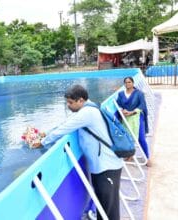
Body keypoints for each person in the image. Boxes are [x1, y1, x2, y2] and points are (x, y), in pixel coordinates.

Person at [34, 85, 123, 220]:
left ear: (80, 100)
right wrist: (45, 133)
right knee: (104, 204)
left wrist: (43, 142)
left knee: (109, 208)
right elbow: (66, 123)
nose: (68, 106)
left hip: (107, 166)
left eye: (70, 102)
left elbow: (64, 128)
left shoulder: (87, 113)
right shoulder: (90, 107)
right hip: (105, 165)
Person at [116, 77, 149, 160]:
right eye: (126, 82)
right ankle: (130, 155)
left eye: (129, 82)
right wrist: (122, 110)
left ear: (133, 83)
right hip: (126, 118)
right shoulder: (121, 94)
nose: (128, 84)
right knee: (128, 138)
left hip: (137, 116)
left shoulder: (139, 94)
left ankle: (147, 157)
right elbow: (118, 104)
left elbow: (142, 105)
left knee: (141, 138)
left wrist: (132, 112)